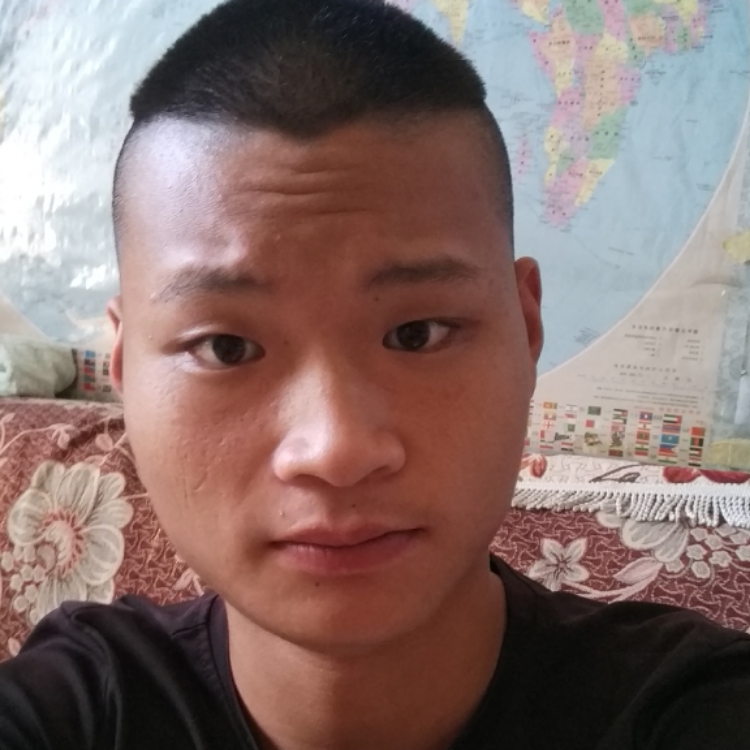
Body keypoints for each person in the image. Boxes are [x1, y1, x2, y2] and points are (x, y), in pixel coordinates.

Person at [1, 0, 749, 748]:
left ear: (526, 331)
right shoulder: (82, 704)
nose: (336, 450)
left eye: (416, 334)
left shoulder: (687, 706)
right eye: (226, 347)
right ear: (125, 369)